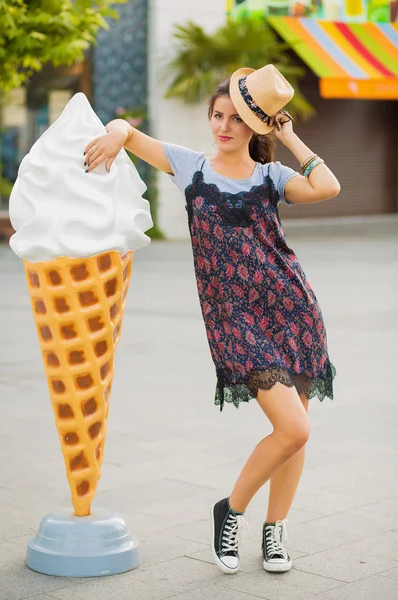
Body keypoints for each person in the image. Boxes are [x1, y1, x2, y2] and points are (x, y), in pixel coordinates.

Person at [84, 64, 340, 576]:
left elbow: (328, 186)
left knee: (297, 432)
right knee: (292, 427)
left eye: (238, 120)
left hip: (293, 309)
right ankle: (232, 510)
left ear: (257, 128)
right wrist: (114, 134)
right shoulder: (191, 167)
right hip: (233, 320)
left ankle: (275, 532)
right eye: (218, 116)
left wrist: (289, 136)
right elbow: (130, 134)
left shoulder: (273, 177)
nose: (224, 127)